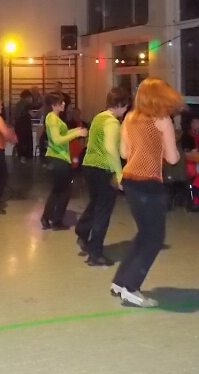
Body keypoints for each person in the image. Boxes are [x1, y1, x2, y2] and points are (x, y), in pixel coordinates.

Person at [110, 79, 182, 308]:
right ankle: (131, 288)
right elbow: (172, 158)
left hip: (130, 181)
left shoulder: (130, 118)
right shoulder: (162, 119)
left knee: (144, 234)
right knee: (155, 238)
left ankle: (120, 282)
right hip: (149, 183)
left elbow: (124, 153)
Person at [75, 87, 131, 266]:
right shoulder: (112, 123)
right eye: (125, 106)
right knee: (103, 212)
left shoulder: (99, 117)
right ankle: (95, 254)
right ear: (120, 104)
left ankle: (83, 231)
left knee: (96, 203)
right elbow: (110, 149)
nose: (126, 110)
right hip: (104, 170)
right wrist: (119, 174)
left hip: (89, 167)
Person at [40, 93, 87, 231]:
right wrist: (77, 134)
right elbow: (57, 140)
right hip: (58, 157)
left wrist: (75, 130)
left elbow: (62, 135)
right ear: (53, 105)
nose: (64, 104)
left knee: (58, 189)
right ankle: (56, 221)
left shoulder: (55, 118)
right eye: (61, 102)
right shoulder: (52, 118)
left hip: (59, 158)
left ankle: (47, 217)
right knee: (65, 190)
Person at [13, 90, 34, 163]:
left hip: (18, 125)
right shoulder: (27, 104)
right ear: (28, 97)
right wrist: (40, 110)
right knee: (26, 142)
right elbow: (32, 114)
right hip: (25, 125)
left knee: (20, 142)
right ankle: (25, 157)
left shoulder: (18, 104)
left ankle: (21, 157)